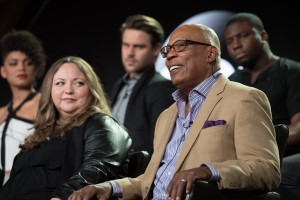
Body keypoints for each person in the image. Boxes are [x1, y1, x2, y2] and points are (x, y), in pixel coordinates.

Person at [68, 24, 280, 200]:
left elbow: (266, 170)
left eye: (181, 46)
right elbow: (147, 182)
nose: (169, 56)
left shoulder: (244, 98)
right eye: (167, 51)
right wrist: (107, 187)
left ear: (210, 53)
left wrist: (208, 171)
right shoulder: (167, 115)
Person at [0, 56, 132, 200]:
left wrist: (61, 197)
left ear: (91, 89)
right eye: (60, 83)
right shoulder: (41, 133)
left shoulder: (101, 124)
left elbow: (96, 169)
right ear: (50, 89)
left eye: (78, 83)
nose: (68, 90)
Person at [223, 12, 300, 200]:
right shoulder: (232, 82)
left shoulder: (291, 71)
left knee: (280, 173)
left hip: (288, 154)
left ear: (263, 36)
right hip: (248, 158)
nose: (236, 45)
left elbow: (298, 130)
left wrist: (256, 145)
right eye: (229, 40)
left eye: (243, 36)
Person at [110, 14, 175, 155]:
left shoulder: (161, 88)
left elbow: (160, 147)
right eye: (126, 45)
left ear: (156, 49)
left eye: (138, 47)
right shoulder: (118, 86)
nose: (130, 53)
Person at [0, 30, 46, 186]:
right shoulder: (1, 113)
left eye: (28, 62)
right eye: (13, 63)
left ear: (37, 68)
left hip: (28, 185)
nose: (21, 67)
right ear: (3, 71)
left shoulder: (44, 104)